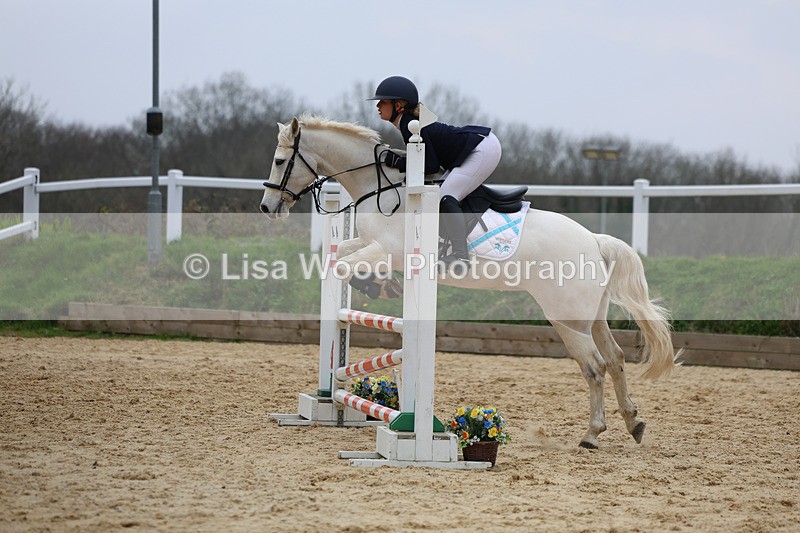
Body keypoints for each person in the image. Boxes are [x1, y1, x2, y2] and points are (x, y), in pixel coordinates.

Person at [367, 76, 502, 271]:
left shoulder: (408, 123)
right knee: (441, 192)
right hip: (477, 146)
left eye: (383, 101)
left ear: (398, 105)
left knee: (446, 196)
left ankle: (461, 257)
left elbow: (429, 166)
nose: (378, 105)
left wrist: (398, 162)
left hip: (481, 149)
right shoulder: (407, 122)